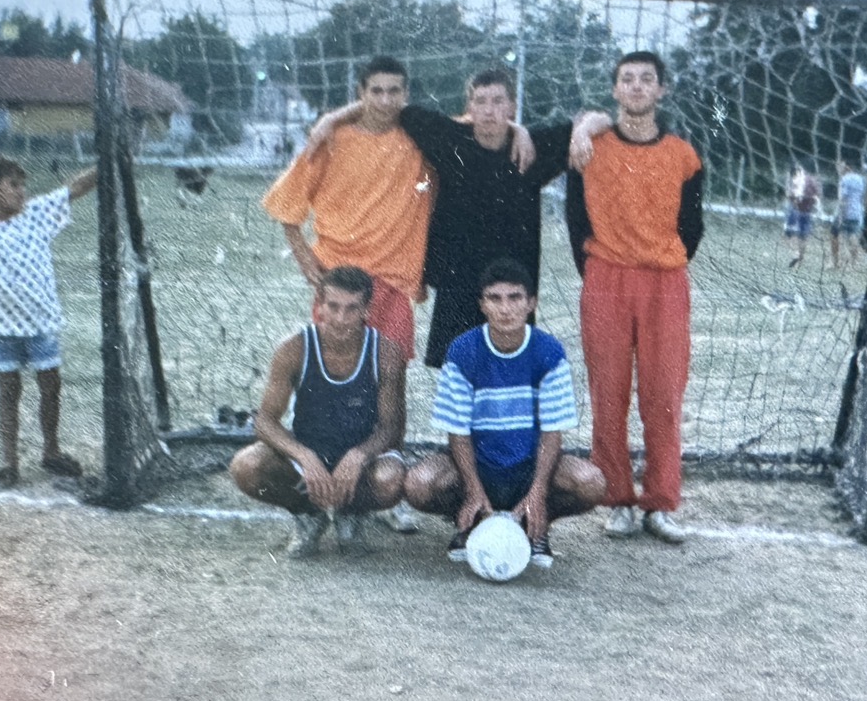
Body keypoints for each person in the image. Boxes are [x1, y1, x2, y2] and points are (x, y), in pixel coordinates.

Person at [262, 55, 434, 533]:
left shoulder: (419, 140)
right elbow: (288, 207)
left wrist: (333, 111)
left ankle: (382, 488)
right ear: (360, 92)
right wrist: (305, 260)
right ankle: (315, 481)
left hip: (394, 282)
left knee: (389, 384)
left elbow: (479, 123)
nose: (384, 100)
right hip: (339, 285)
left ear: (405, 94)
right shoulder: (332, 140)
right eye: (375, 91)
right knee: (328, 382)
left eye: (394, 91)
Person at [303, 66, 574, 368]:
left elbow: (594, 123)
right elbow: (389, 106)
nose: (489, 110)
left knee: (510, 374)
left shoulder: (531, 150)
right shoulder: (450, 140)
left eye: (498, 102)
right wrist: (332, 118)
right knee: (456, 373)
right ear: (469, 107)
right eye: (481, 101)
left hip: (511, 290)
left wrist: (535, 131)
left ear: (512, 106)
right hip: (457, 284)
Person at [565, 50, 704, 545]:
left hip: (664, 282)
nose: (638, 87)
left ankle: (661, 501)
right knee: (608, 392)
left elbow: (692, 226)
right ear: (616, 90)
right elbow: (574, 217)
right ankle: (617, 498)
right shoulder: (590, 147)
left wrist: (659, 259)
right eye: (628, 79)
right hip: (606, 278)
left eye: (648, 79)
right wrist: (601, 267)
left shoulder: (683, 155)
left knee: (663, 395)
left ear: (661, 90)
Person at [404, 259, 606, 568]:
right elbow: (457, 432)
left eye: (515, 298)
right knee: (419, 483)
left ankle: (535, 525)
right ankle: (470, 523)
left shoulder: (549, 352)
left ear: (531, 303)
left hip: (528, 466)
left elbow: (553, 433)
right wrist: (473, 490)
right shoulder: (462, 351)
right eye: (495, 299)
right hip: (479, 465)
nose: (505, 308)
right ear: (482, 305)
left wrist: (538, 492)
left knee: (590, 481)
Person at [0, 146, 97, 487]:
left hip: (40, 323)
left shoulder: (36, 214)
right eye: (14, 185)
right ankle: (10, 463)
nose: (23, 192)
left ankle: (51, 451)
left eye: (23, 185)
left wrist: (108, 163)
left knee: (51, 385)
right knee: (9, 392)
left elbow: (76, 188)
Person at [228, 266, 409, 558]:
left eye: (352, 309)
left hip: (360, 453)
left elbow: (391, 427)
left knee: (392, 480)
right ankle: (309, 514)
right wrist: (304, 456)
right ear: (319, 306)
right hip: (310, 448)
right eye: (333, 307)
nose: (340, 318)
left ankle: (351, 514)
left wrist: (358, 456)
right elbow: (265, 422)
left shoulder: (386, 353)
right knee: (246, 467)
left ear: (367, 309)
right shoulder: (294, 348)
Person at [828, 160, 867, 269]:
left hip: (845, 211)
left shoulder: (844, 179)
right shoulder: (861, 179)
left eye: (840, 165)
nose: (838, 168)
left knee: (834, 234)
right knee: (852, 235)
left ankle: (834, 262)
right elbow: (863, 196)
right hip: (857, 212)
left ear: (847, 167)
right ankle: (852, 264)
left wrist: (841, 215)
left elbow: (842, 198)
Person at [784, 162, 819, 268]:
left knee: (789, 234)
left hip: (795, 209)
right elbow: (816, 195)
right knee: (803, 236)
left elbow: (789, 195)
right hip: (807, 211)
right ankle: (800, 261)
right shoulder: (811, 180)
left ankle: (795, 253)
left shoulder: (794, 179)